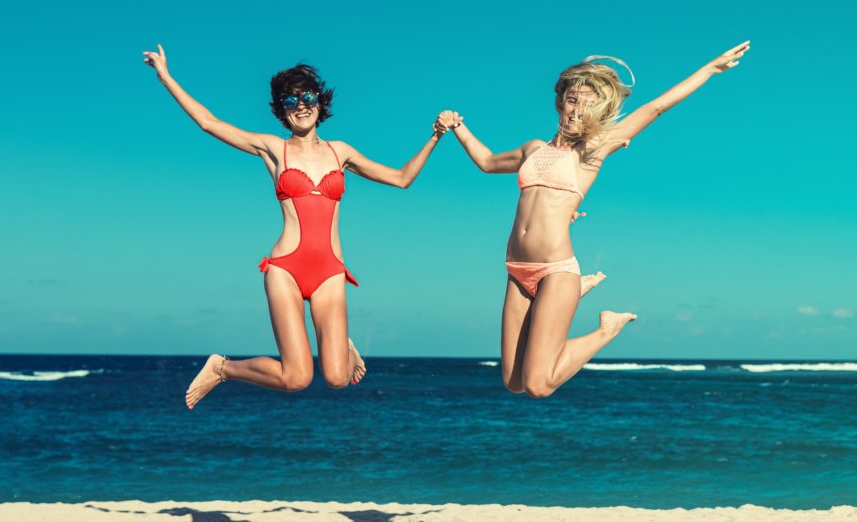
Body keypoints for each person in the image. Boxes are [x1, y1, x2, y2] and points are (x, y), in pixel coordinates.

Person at [436, 42, 750, 398]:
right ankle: (573, 296)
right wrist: (457, 126)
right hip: (517, 269)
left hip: (556, 270)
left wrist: (710, 68)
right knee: (514, 382)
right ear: (560, 101)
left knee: (539, 386)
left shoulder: (593, 150)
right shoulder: (532, 149)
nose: (576, 110)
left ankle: (606, 328)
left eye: (587, 105)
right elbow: (488, 162)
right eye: (572, 100)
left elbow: (657, 107)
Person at [142, 45, 447, 408]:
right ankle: (223, 368)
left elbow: (401, 178)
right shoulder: (273, 149)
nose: (300, 106)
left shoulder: (341, 152)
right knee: (296, 378)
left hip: (330, 272)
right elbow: (210, 123)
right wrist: (166, 77)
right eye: (290, 101)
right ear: (282, 111)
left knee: (337, 378)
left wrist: (436, 135)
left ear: (319, 101)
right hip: (286, 267)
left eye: (306, 97)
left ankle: (341, 341)